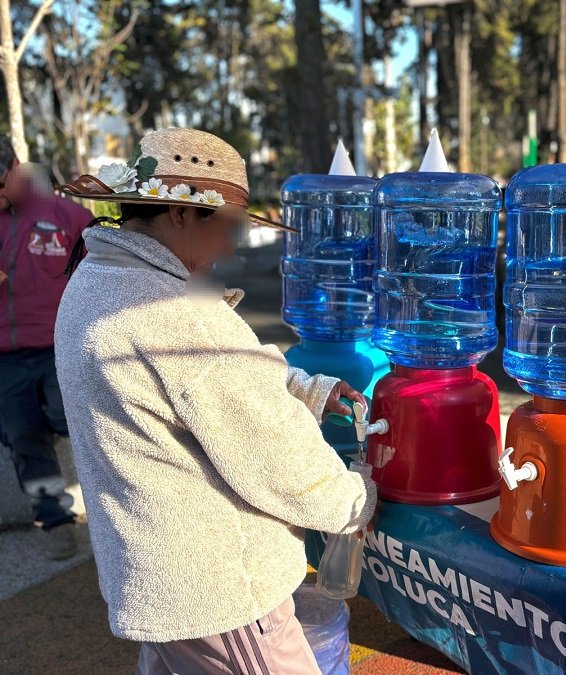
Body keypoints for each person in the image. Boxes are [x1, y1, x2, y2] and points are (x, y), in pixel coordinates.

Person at [54, 127, 376, 674]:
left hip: (159, 574)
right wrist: (353, 502)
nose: (231, 246)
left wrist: (307, 390)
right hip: (219, 589)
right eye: (229, 226)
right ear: (180, 214)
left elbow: (211, 381)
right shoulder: (175, 313)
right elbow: (273, 451)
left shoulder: (99, 276)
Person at [0, 136, 93, 560]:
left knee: (72, 418)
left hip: (62, 348)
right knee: (24, 437)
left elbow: (100, 276)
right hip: (6, 358)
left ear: (14, 167)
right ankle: (56, 520)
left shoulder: (66, 215)